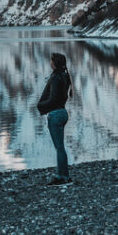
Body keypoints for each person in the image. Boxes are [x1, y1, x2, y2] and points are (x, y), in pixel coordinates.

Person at [37, 52, 73, 185]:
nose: (50, 62)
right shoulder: (65, 76)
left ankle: (62, 177)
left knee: (59, 148)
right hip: (63, 113)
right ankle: (64, 175)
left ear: (55, 63)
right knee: (61, 147)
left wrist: (40, 105)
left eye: (51, 60)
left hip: (56, 115)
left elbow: (53, 99)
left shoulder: (55, 78)